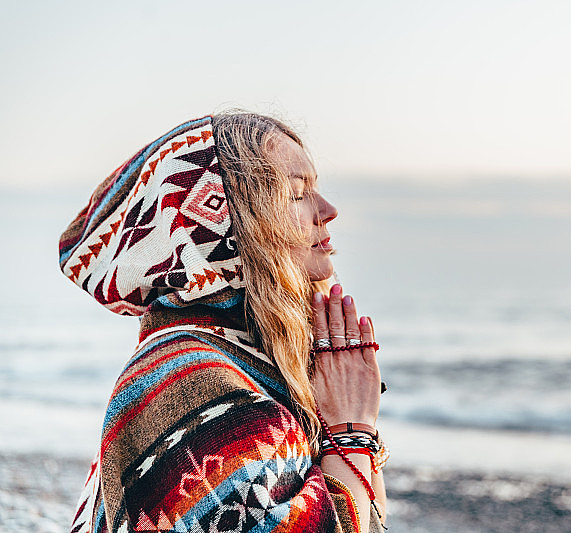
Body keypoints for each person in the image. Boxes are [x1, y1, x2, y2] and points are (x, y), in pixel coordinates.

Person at [58, 112, 387, 533]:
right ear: (220, 227)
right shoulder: (192, 377)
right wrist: (350, 430)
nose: (328, 211)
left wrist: (351, 422)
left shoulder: (255, 358)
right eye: (296, 194)